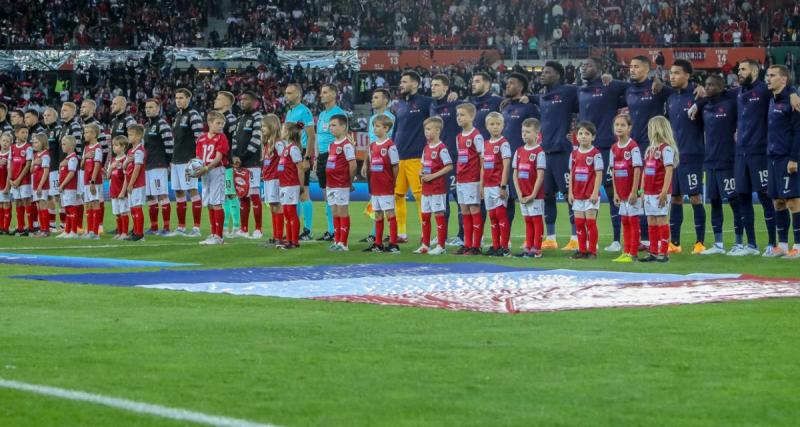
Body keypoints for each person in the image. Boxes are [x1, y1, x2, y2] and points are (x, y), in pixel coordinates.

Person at [579, 57, 634, 252]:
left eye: (589, 65)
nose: (584, 67)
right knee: (582, 195)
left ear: (600, 69)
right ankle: (582, 242)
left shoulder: (608, 86)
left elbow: (631, 86)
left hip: (606, 149)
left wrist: (612, 79)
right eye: (583, 65)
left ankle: (618, 239)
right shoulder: (579, 91)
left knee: (613, 195)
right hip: (584, 151)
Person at [625, 56, 674, 250]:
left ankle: (658, 243)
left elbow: (679, 93)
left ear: (647, 70)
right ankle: (641, 239)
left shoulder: (656, 88)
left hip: (651, 146)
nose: (632, 69)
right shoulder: (627, 89)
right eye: (630, 66)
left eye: (636, 67)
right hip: (632, 146)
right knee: (637, 193)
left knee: (652, 196)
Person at [697, 75, 744, 255]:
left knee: (734, 201)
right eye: (706, 85)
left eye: (711, 85)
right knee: (714, 202)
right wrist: (699, 103)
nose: (707, 87)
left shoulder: (731, 102)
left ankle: (739, 243)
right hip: (710, 162)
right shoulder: (705, 107)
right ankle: (718, 244)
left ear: (721, 87)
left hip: (728, 161)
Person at [537, 61, 580, 250]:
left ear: (557, 75)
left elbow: (586, 93)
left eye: (547, 72)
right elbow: (532, 98)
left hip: (562, 152)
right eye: (542, 72)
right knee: (547, 195)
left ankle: (575, 238)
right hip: (545, 152)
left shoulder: (568, 91)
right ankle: (551, 238)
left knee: (569, 195)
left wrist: (604, 80)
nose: (543, 75)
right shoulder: (542, 96)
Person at [666, 59, 707, 254]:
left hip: (692, 154)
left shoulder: (698, 95)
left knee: (695, 197)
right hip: (674, 156)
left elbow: (718, 96)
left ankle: (700, 243)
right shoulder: (671, 97)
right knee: (675, 198)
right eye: (671, 73)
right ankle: (674, 243)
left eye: (676, 73)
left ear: (687, 75)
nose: (672, 76)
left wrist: (702, 94)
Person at [392, 71, 432, 243]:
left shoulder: (426, 103)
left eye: (404, 81)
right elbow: (396, 130)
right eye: (401, 81)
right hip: (399, 157)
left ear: (415, 83)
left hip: (417, 157)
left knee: (420, 196)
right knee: (397, 195)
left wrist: (451, 96)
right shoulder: (400, 105)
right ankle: (401, 233)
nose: (401, 84)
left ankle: (426, 234)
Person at [765, 64, 800, 258]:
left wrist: (794, 158)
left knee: (794, 201)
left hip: (787, 157)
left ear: (784, 79)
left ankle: (799, 246)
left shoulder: (793, 101)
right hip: (772, 157)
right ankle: (783, 245)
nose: (768, 78)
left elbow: (797, 132)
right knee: (778, 201)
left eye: (772, 75)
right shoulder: (772, 100)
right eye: (767, 75)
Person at [501, 72, 539, 234]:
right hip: (504, 160)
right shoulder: (504, 106)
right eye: (507, 83)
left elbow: (539, 130)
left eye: (511, 83)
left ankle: (533, 239)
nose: (507, 85)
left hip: (523, 162)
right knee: (506, 200)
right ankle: (505, 239)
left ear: (521, 87)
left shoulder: (529, 107)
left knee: (527, 200)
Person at [430, 74, 464, 247]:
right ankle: (441, 234)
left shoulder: (455, 104)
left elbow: (470, 111)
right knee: (441, 199)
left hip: (455, 159)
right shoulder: (431, 106)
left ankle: (462, 235)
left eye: (436, 85)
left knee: (460, 199)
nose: (433, 87)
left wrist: (458, 95)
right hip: (437, 162)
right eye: (432, 85)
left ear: (446, 88)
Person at [640, 116, 678, 262]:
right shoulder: (650, 149)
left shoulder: (666, 149)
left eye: (651, 128)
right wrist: (641, 191)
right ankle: (653, 252)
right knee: (651, 220)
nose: (649, 131)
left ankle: (664, 253)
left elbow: (669, 170)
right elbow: (645, 171)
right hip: (648, 192)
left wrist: (664, 191)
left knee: (661, 219)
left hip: (660, 192)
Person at [362, 114, 400, 253]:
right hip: (375, 186)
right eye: (373, 126)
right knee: (377, 214)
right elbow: (372, 164)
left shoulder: (390, 145)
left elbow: (396, 166)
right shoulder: (372, 146)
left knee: (390, 214)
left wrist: (392, 181)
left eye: (377, 126)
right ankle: (378, 244)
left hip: (386, 186)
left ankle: (394, 244)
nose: (374, 129)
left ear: (386, 128)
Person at [414, 117, 452, 255]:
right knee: (425, 215)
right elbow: (424, 165)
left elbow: (449, 166)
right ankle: (425, 244)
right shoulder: (426, 147)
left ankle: (441, 246)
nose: (427, 132)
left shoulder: (441, 148)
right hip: (426, 188)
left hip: (437, 187)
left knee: (438, 214)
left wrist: (433, 176)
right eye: (426, 129)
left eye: (430, 129)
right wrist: (421, 172)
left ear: (438, 130)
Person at [169, 88, 204, 237]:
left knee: (192, 191)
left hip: (188, 160)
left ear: (189, 99)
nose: (178, 100)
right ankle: (181, 227)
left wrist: (196, 158)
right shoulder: (177, 116)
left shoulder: (193, 115)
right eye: (176, 98)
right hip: (176, 160)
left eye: (181, 97)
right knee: (178, 192)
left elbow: (199, 138)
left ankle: (196, 228)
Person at [283, 83, 316, 240]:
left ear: (298, 94)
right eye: (286, 93)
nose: (286, 95)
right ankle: (293, 228)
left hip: (301, 154)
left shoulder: (304, 111)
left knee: (304, 192)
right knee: (294, 194)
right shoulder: (289, 112)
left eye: (289, 93)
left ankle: (307, 230)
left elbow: (311, 136)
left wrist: (307, 158)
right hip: (290, 154)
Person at [315, 84, 348, 242]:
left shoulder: (339, 113)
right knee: (326, 194)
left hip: (333, 154)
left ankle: (336, 231)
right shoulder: (322, 114)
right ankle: (331, 229)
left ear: (334, 94)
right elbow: (318, 136)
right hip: (322, 155)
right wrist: (316, 157)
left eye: (325, 92)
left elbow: (344, 136)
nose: (322, 95)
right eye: (321, 92)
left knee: (333, 194)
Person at [610, 114, 643, 263]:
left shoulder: (633, 147)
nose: (619, 128)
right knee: (624, 220)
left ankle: (633, 253)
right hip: (621, 192)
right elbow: (614, 171)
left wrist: (634, 191)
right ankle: (626, 251)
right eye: (617, 125)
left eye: (623, 125)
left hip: (631, 193)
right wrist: (616, 192)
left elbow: (637, 169)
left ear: (629, 128)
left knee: (633, 221)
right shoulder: (613, 148)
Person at [568, 122, 604, 259]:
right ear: (576, 136)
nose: (583, 137)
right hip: (577, 194)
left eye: (587, 134)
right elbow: (571, 173)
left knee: (590, 223)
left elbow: (599, 174)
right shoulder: (574, 154)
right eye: (581, 133)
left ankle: (592, 251)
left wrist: (595, 192)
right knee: (579, 223)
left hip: (590, 195)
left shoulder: (596, 154)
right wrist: (570, 192)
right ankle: (582, 250)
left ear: (593, 137)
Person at [231, 90, 264, 239]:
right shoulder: (240, 119)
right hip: (240, 163)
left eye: (245, 100)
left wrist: (241, 158)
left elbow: (256, 141)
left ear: (254, 101)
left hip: (252, 163)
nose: (242, 102)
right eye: (241, 99)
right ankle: (244, 229)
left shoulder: (258, 117)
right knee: (242, 195)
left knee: (254, 194)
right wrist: (234, 156)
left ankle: (258, 229)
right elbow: (234, 140)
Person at [512, 118, 546, 258]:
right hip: (522, 194)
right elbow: (515, 174)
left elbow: (540, 175)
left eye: (528, 132)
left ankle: (537, 249)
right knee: (527, 221)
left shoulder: (539, 152)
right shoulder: (519, 151)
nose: (524, 134)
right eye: (523, 131)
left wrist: (533, 194)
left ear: (536, 133)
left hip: (534, 195)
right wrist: (519, 193)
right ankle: (528, 247)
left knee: (536, 220)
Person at [195, 111, 229, 245]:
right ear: (209, 123)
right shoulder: (201, 138)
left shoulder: (222, 137)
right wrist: (197, 168)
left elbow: (219, 157)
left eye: (222, 123)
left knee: (216, 203)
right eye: (218, 123)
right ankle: (213, 233)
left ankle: (219, 236)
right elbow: (198, 157)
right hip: (205, 172)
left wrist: (206, 168)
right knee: (209, 203)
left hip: (216, 171)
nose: (221, 126)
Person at [481, 112, 512, 257]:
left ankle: (505, 247)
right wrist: (481, 187)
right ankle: (495, 245)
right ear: (487, 126)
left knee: (500, 214)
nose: (495, 127)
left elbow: (506, 166)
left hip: (498, 185)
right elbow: (483, 167)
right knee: (492, 215)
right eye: (492, 124)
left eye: (498, 124)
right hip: (487, 186)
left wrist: (503, 186)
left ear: (503, 126)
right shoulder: (485, 144)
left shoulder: (503, 143)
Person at [325, 114, 357, 252]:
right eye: (330, 125)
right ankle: (337, 240)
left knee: (342, 212)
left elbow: (353, 165)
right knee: (334, 213)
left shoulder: (346, 145)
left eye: (334, 125)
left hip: (341, 184)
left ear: (343, 127)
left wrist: (349, 182)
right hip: (330, 184)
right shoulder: (331, 145)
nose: (331, 128)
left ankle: (344, 243)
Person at [143, 99, 174, 235]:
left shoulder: (162, 124)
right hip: (148, 165)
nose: (148, 109)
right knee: (150, 196)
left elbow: (170, 145)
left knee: (162, 195)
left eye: (151, 107)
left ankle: (166, 227)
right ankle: (154, 227)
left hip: (159, 164)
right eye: (146, 107)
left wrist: (166, 162)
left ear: (158, 109)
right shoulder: (146, 126)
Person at [276, 122, 305, 250]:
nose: (281, 132)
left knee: (291, 212)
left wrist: (301, 185)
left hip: (291, 184)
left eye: (282, 129)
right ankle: (288, 239)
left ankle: (294, 241)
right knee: (287, 213)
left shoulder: (293, 148)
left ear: (287, 132)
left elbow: (300, 168)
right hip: (284, 185)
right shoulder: (286, 149)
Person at [260, 114, 283, 246]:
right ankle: (275, 236)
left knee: (277, 205)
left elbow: (284, 160)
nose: (262, 129)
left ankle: (279, 237)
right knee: (272, 206)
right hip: (268, 178)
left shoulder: (278, 143)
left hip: (275, 179)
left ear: (272, 126)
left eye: (264, 126)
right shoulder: (268, 143)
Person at [81, 123, 104, 239]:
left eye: (87, 132)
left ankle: (95, 232)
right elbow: (81, 166)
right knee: (88, 205)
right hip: (86, 180)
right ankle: (89, 230)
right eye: (84, 132)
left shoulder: (98, 148)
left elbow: (97, 165)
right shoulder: (86, 148)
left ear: (94, 134)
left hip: (93, 181)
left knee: (95, 203)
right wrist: (85, 157)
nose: (85, 134)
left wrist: (93, 181)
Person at [124, 124, 147, 242]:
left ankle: (140, 233)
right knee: (132, 208)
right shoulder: (130, 151)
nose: (129, 137)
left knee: (137, 207)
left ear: (138, 136)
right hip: (132, 183)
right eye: (128, 134)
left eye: (131, 135)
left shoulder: (139, 151)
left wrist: (131, 183)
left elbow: (137, 168)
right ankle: (135, 230)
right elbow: (125, 167)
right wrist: (127, 161)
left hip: (137, 183)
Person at [9, 125, 32, 235]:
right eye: (23, 132)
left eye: (26, 132)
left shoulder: (28, 147)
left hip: (24, 180)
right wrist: (10, 179)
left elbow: (28, 166)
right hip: (14, 181)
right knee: (17, 202)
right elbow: (10, 164)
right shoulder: (12, 148)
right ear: (16, 134)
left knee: (26, 201)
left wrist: (18, 179)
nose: (25, 135)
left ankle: (31, 227)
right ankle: (20, 227)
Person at [57, 135, 80, 239]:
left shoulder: (73, 158)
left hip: (70, 187)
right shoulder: (66, 159)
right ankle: (67, 230)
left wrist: (62, 185)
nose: (62, 146)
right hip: (65, 188)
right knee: (67, 209)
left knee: (71, 208)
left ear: (71, 146)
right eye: (62, 144)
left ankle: (73, 231)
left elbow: (71, 174)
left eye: (64, 144)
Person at [42, 107, 61, 231]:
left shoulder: (59, 129)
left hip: (56, 169)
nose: (46, 117)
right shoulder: (44, 132)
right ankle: (52, 225)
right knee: (49, 196)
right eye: (44, 115)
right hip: (46, 169)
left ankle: (64, 224)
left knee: (59, 197)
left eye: (49, 115)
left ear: (55, 116)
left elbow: (62, 149)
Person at [108, 136, 130, 240]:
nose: (114, 147)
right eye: (113, 145)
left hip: (121, 191)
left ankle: (125, 233)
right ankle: (119, 232)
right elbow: (108, 176)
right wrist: (111, 167)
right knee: (117, 213)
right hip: (113, 190)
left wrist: (123, 191)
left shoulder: (125, 160)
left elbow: (126, 177)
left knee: (123, 212)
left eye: (116, 145)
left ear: (123, 147)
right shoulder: (112, 160)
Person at [30, 133, 50, 237]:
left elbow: (46, 172)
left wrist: (40, 186)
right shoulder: (35, 155)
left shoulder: (45, 155)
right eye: (33, 142)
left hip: (42, 185)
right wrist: (33, 163)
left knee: (43, 206)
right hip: (35, 184)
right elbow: (31, 171)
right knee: (38, 207)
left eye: (36, 142)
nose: (34, 144)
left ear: (42, 143)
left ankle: (45, 230)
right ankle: (42, 229)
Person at [0, 132, 12, 234]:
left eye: (7, 141)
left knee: (6, 204)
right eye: (3, 140)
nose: (5, 143)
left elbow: (10, 172)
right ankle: (1, 227)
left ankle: (6, 228)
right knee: (0, 206)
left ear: (10, 143)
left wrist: (7, 186)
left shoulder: (10, 155)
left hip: (5, 185)